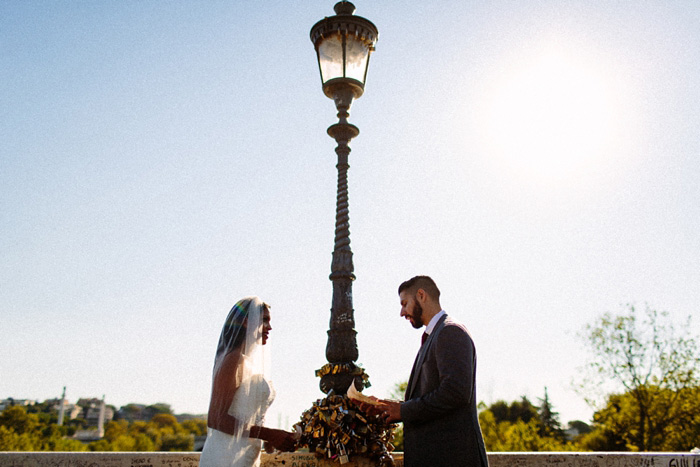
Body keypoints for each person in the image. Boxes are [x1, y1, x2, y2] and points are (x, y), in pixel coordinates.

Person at [377, 276, 489, 467]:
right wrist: (394, 408)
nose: (402, 312)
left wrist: (404, 410)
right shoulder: (435, 335)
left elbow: (455, 392)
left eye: (405, 303)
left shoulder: (450, 332)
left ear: (421, 295)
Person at [199, 297, 297, 467]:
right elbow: (215, 419)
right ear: (246, 321)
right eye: (264, 320)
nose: (270, 327)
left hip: (245, 456)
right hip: (225, 457)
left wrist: (267, 437)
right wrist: (269, 434)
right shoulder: (233, 359)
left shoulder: (249, 363)